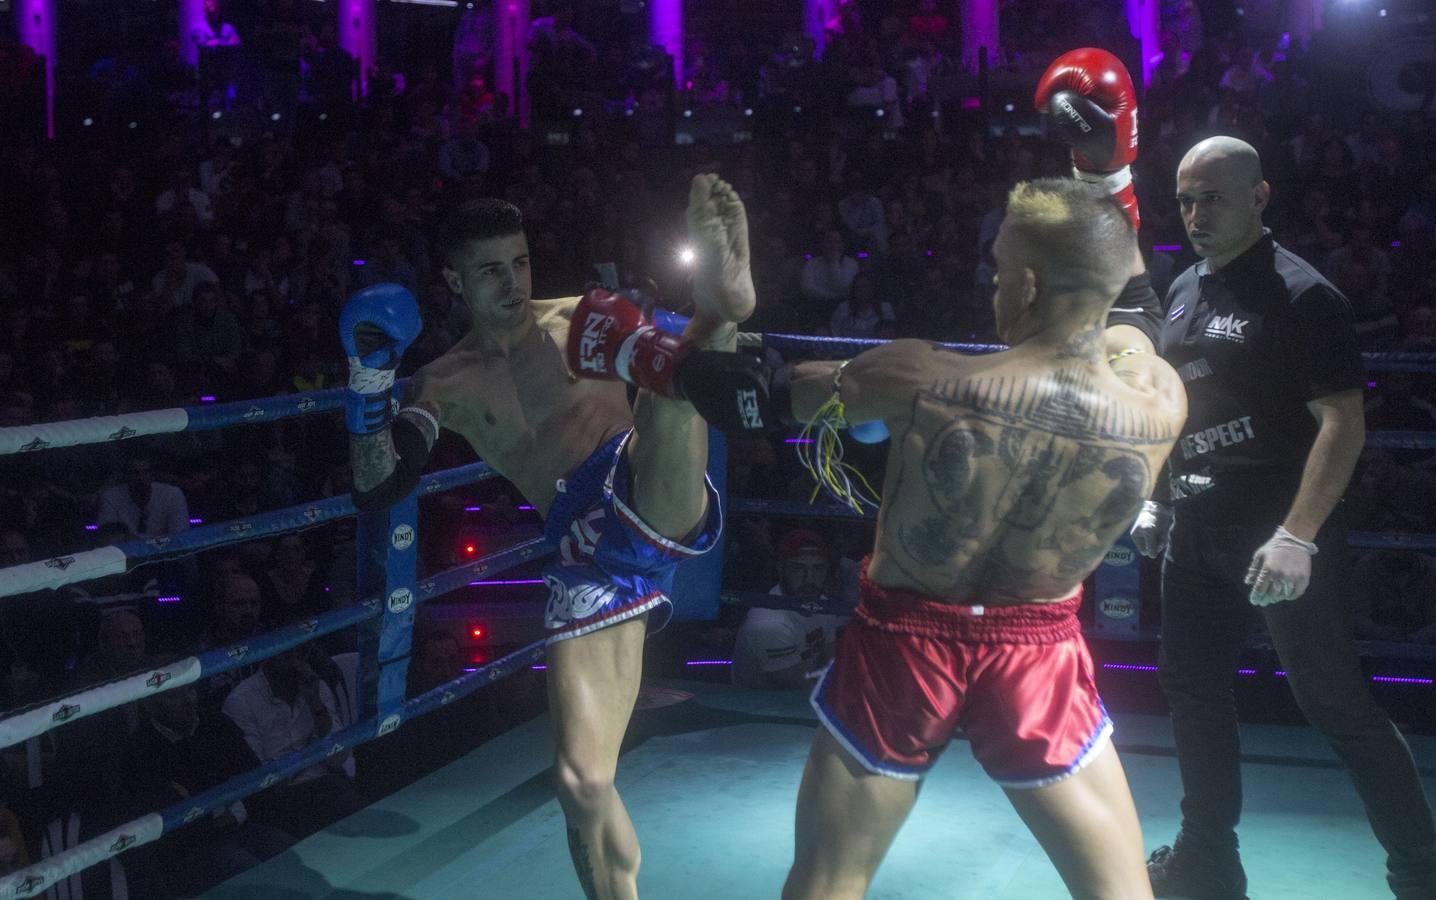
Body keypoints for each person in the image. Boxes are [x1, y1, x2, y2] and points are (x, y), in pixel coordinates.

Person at [731, 176, 1185, 900]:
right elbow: (1134, 317)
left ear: (1029, 284)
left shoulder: (923, 380)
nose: (994, 286)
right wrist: (1115, 177)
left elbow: (755, 395)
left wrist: (708, 330)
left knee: (824, 884)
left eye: (1001, 271)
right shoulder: (1159, 404)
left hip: (902, 642)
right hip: (1039, 650)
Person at [340, 173, 754, 899]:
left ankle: (718, 316)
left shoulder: (581, 319)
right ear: (454, 280)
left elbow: (666, 376)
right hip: (581, 553)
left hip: (639, 483)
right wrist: (367, 379)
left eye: (520, 262)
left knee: (669, 391)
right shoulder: (445, 382)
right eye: (491, 270)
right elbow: (379, 483)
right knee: (580, 783)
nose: (512, 281)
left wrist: (696, 343)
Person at [1129, 136, 1436, 899]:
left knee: (1334, 703)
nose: (1196, 214)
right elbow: (1179, 401)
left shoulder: (1305, 297)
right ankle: (1207, 862)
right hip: (1195, 529)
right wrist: (1155, 495)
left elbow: (1342, 423)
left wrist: (1298, 535)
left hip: (1278, 535)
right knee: (1193, 692)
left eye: (1214, 198)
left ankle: (1423, 870)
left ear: (1260, 197)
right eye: (1186, 199)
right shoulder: (1184, 287)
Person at [731, 529, 848, 690]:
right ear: (781, 569)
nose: (809, 578)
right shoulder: (769, 623)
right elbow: (800, 688)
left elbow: (829, 657)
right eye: (799, 568)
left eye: (818, 568)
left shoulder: (822, 604)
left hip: (797, 698)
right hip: (762, 708)